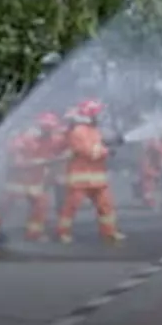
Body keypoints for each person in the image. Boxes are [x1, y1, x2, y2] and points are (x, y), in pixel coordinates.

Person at [54, 99, 124, 245]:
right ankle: (63, 233)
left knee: (106, 206)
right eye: (98, 113)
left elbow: (99, 144)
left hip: (98, 179)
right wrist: (107, 151)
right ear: (90, 115)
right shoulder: (78, 131)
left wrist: (114, 141)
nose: (100, 116)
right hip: (80, 179)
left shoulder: (94, 130)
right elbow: (89, 152)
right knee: (71, 207)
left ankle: (109, 232)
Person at [0, 122, 56, 244]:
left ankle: (34, 233)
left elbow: (51, 153)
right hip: (17, 182)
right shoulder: (22, 140)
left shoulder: (48, 139)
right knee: (3, 207)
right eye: (47, 130)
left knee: (41, 205)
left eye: (50, 130)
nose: (49, 133)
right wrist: (34, 162)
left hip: (35, 181)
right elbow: (16, 160)